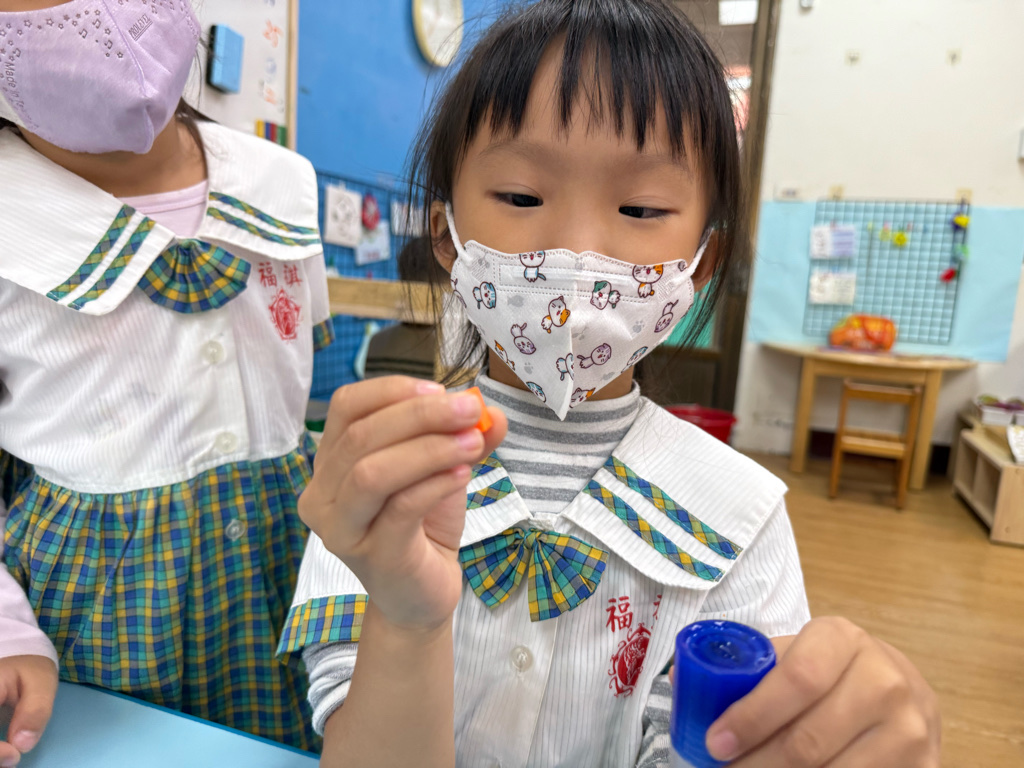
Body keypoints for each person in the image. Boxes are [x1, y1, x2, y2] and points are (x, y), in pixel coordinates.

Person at [280, 1, 941, 766]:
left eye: (641, 208)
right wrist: (405, 617)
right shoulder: (382, 480)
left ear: (703, 262)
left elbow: (718, 742)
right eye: (521, 197)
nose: (578, 249)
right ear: (445, 235)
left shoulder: (738, 517)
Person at [0, 0, 330, 761]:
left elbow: (298, 386)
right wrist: (9, 631)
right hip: (85, 621)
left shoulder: (282, 183)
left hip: (288, 576)